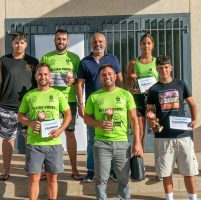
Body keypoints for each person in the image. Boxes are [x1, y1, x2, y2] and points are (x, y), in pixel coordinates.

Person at [84, 64, 143, 200]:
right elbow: (87, 118)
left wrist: (137, 142)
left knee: (124, 179)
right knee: (101, 179)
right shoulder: (93, 97)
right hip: (101, 144)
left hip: (122, 143)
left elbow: (134, 120)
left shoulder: (125, 94)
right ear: (99, 78)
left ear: (115, 76)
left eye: (110, 74)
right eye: (103, 75)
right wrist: (99, 123)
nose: (107, 77)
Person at [146, 55, 198, 200]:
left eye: (166, 67)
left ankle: (193, 198)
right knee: (166, 172)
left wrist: (194, 120)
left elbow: (192, 104)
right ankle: (170, 198)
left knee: (189, 171)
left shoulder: (181, 84)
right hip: (163, 137)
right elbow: (149, 110)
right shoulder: (153, 89)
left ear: (171, 68)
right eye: (160, 68)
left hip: (183, 135)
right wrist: (151, 118)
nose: (164, 70)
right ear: (157, 69)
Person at [18, 63, 72, 200]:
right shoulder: (29, 95)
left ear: (50, 76)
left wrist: (60, 130)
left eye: (46, 74)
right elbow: (20, 116)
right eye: (40, 74)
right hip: (34, 143)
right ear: (36, 76)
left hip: (53, 143)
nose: (43, 77)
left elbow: (68, 115)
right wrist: (30, 122)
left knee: (52, 178)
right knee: (34, 178)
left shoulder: (58, 94)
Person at [77, 32, 123, 182]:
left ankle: (112, 170)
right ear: (91, 44)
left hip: (114, 107)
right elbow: (80, 84)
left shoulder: (113, 59)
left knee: (113, 139)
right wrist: (81, 104)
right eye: (95, 42)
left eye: (100, 41)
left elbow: (120, 80)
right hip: (94, 107)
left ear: (106, 43)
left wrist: (124, 100)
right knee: (93, 140)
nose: (98, 44)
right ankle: (91, 170)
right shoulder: (85, 62)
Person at [0, 32, 39, 181]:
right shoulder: (2, 61)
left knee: (30, 140)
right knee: (8, 140)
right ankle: (6, 170)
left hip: (28, 109)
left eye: (22, 43)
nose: (19, 45)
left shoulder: (33, 62)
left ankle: (32, 169)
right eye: (16, 43)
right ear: (12, 44)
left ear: (26, 44)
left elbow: (40, 84)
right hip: (7, 108)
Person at [40, 29, 82, 180]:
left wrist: (74, 80)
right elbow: (41, 76)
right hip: (50, 101)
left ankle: (75, 169)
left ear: (68, 41)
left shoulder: (74, 58)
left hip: (69, 100)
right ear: (54, 40)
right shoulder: (46, 57)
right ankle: (47, 169)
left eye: (64, 39)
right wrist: (47, 81)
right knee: (48, 134)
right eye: (58, 39)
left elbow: (80, 80)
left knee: (70, 133)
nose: (61, 41)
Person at [126, 33, 158, 147]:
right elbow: (128, 81)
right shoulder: (134, 62)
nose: (146, 46)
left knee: (157, 129)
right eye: (144, 43)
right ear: (140, 45)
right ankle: (139, 161)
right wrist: (131, 89)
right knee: (139, 133)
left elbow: (164, 81)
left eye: (149, 43)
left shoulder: (157, 62)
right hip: (138, 99)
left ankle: (160, 160)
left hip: (154, 99)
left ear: (153, 45)